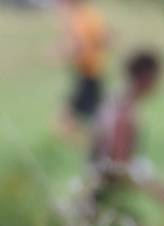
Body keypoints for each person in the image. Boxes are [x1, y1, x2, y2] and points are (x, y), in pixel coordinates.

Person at [85, 48, 164, 222]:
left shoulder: (116, 100)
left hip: (100, 191)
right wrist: (160, 192)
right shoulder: (125, 111)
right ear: (145, 77)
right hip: (106, 199)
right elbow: (117, 166)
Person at [58, 0, 110, 137]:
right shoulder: (90, 15)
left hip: (89, 71)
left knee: (72, 113)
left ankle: (90, 142)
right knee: (91, 111)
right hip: (92, 70)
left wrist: (64, 52)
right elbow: (104, 38)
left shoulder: (81, 17)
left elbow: (80, 44)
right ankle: (92, 140)